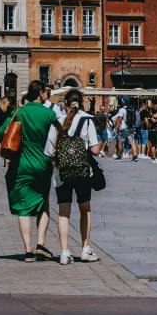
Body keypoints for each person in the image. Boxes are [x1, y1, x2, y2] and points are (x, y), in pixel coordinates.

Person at [46, 88, 103, 264]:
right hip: (83, 172)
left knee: (64, 212)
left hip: (62, 174)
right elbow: (94, 149)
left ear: (64, 104)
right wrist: (99, 145)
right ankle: (85, 249)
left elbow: (49, 152)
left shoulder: (56, 122)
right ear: (82, 103)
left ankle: (64, 253)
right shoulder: (87, 121)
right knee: (84, 209)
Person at [1, 85, 57, 260]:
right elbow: (56, 138)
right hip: (42, 162)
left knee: (24, 208)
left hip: (22, 162)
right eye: (46, 92)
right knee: (43, 202)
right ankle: (41, 243)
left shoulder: (20, 112)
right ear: (40, 93)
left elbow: (2, 131)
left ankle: (28, 250)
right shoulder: (49, 114)